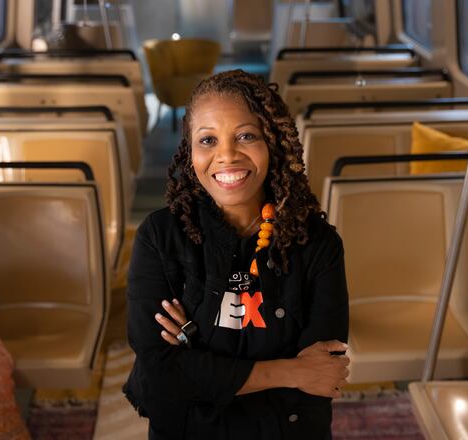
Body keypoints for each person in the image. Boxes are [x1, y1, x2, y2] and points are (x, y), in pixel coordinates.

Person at [123, 69, 349, 439]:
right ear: (190, 152)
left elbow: (323, 373)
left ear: (272, 142)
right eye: (208, 140)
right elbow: (162, 374)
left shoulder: (318, 244)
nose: (226, 155)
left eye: (246, 135)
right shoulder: (159, 237)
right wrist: (289, 370)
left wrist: (194, 347)